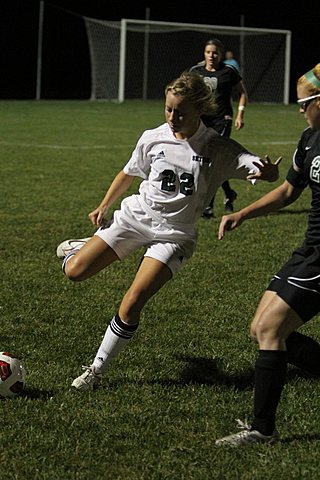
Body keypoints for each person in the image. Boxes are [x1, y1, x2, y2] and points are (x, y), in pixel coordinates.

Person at [56, 72, 280, 392]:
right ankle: (86, 246)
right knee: (75, 272)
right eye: (168, 109)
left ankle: (95, 371)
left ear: (199, 110)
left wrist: (269, 172)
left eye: (181, 111)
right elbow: (129, 171)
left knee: (133, 302)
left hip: (175, 235)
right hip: (136, 218)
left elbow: (258, 168)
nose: (173, 117)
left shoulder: (217, 147)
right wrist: (104, 206)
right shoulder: (153, 137)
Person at [215, 63, 320, 446]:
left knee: (273, 330)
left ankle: (263, 429)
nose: (300, 109)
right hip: (309, 249)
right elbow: (289, 192)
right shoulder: (309, 140)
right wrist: (243, 212)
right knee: (259, 329)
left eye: (305, 102)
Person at [189, 38, 248, 217]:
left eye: (215, 52)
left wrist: (240, 114)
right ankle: (229, 193)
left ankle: (208, 206)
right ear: (204, 53)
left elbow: (242, 93)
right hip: (202, 121)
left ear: (220, 54)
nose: (211, 56)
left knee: (210, 159)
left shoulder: (228, 71)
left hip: (222, 120)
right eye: (208, 52)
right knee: (205, 161)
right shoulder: (195, 71)